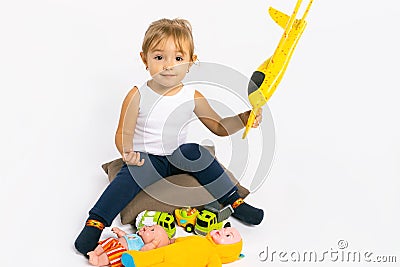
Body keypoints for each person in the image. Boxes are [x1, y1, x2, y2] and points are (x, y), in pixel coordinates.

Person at [75, 18, 264, 257]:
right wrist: (127, 152)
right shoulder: (138, 95)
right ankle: (95, 222)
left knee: (195, 151)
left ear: (191, 62)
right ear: (145, 59)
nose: (168, 65)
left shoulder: (191, 95)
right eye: (159, 57)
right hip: (147, 159)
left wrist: (243, 118)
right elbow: (123, 132)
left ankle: (234, 201)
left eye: (177, 58)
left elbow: (218, 126)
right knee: (131, 172)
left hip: (177, 157)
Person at [120, 227, 243, 267]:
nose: (222, 231)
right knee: (151, 255)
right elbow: (181, 240)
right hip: (167, 250)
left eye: (228, 235)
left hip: (178, 264)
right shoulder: (198, 238)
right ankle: (135, 259)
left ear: (229, 249)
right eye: (223, 229)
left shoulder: (213, 256)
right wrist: (172, 241)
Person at [87, 225, 171, 267]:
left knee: (111, 254)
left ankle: (98, 261)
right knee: (109, 240)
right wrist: (119, 232)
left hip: (121, 251)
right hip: (116, 242)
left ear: (154, 243)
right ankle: (96, 252)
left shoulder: (144, 246)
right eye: (150, 226)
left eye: (152, 230)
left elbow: (143, 251)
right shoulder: (137, 236)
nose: (147, 227)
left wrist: (152, 245)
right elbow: (126, 236)